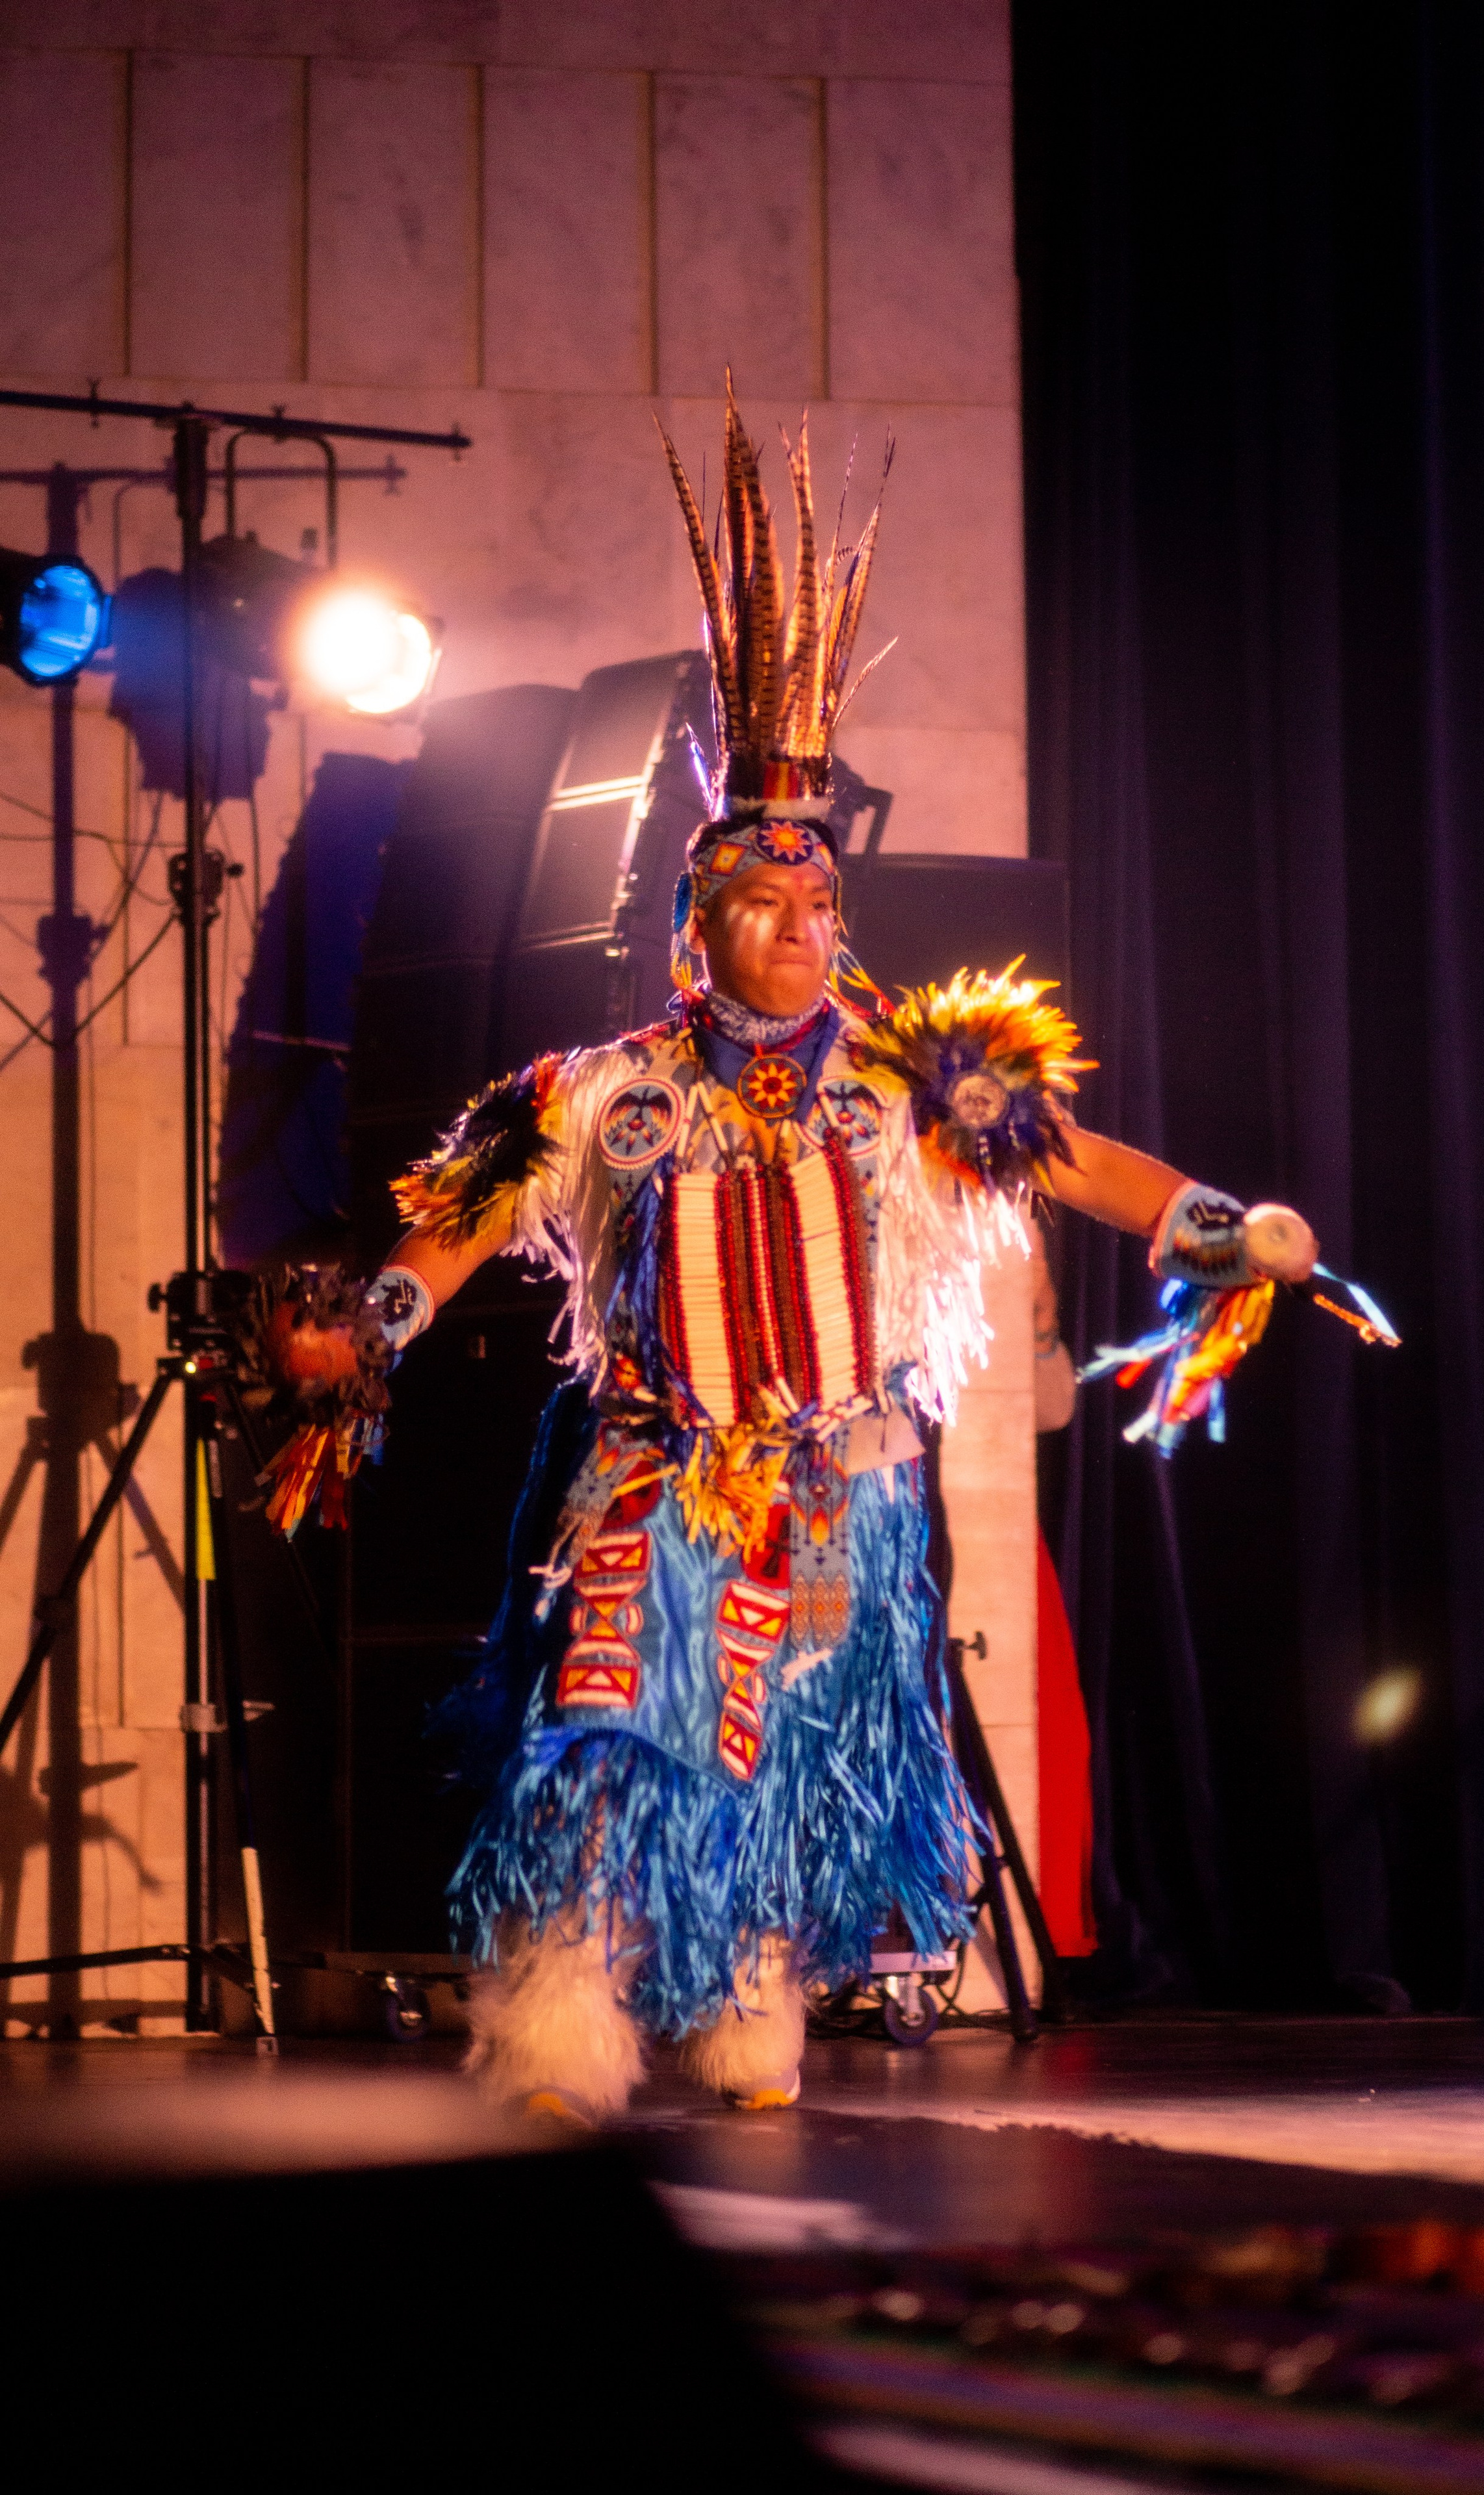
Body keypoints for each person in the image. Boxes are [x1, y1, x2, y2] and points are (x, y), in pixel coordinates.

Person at [253, 388, 1316, 2118]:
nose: (805, 927)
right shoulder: (596, 1095)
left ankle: (751, 2005)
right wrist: (366, 1324)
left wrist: (1229, 1227)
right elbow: (445, 1233)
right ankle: (556, 2028)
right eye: (765, 904)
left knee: (787, 1768)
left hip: (847, 1486)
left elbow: (1088, 1163)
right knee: (601, 1742)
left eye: (824, 905)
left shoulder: (920, 1084)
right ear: (695, 931)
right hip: (660, 1475)